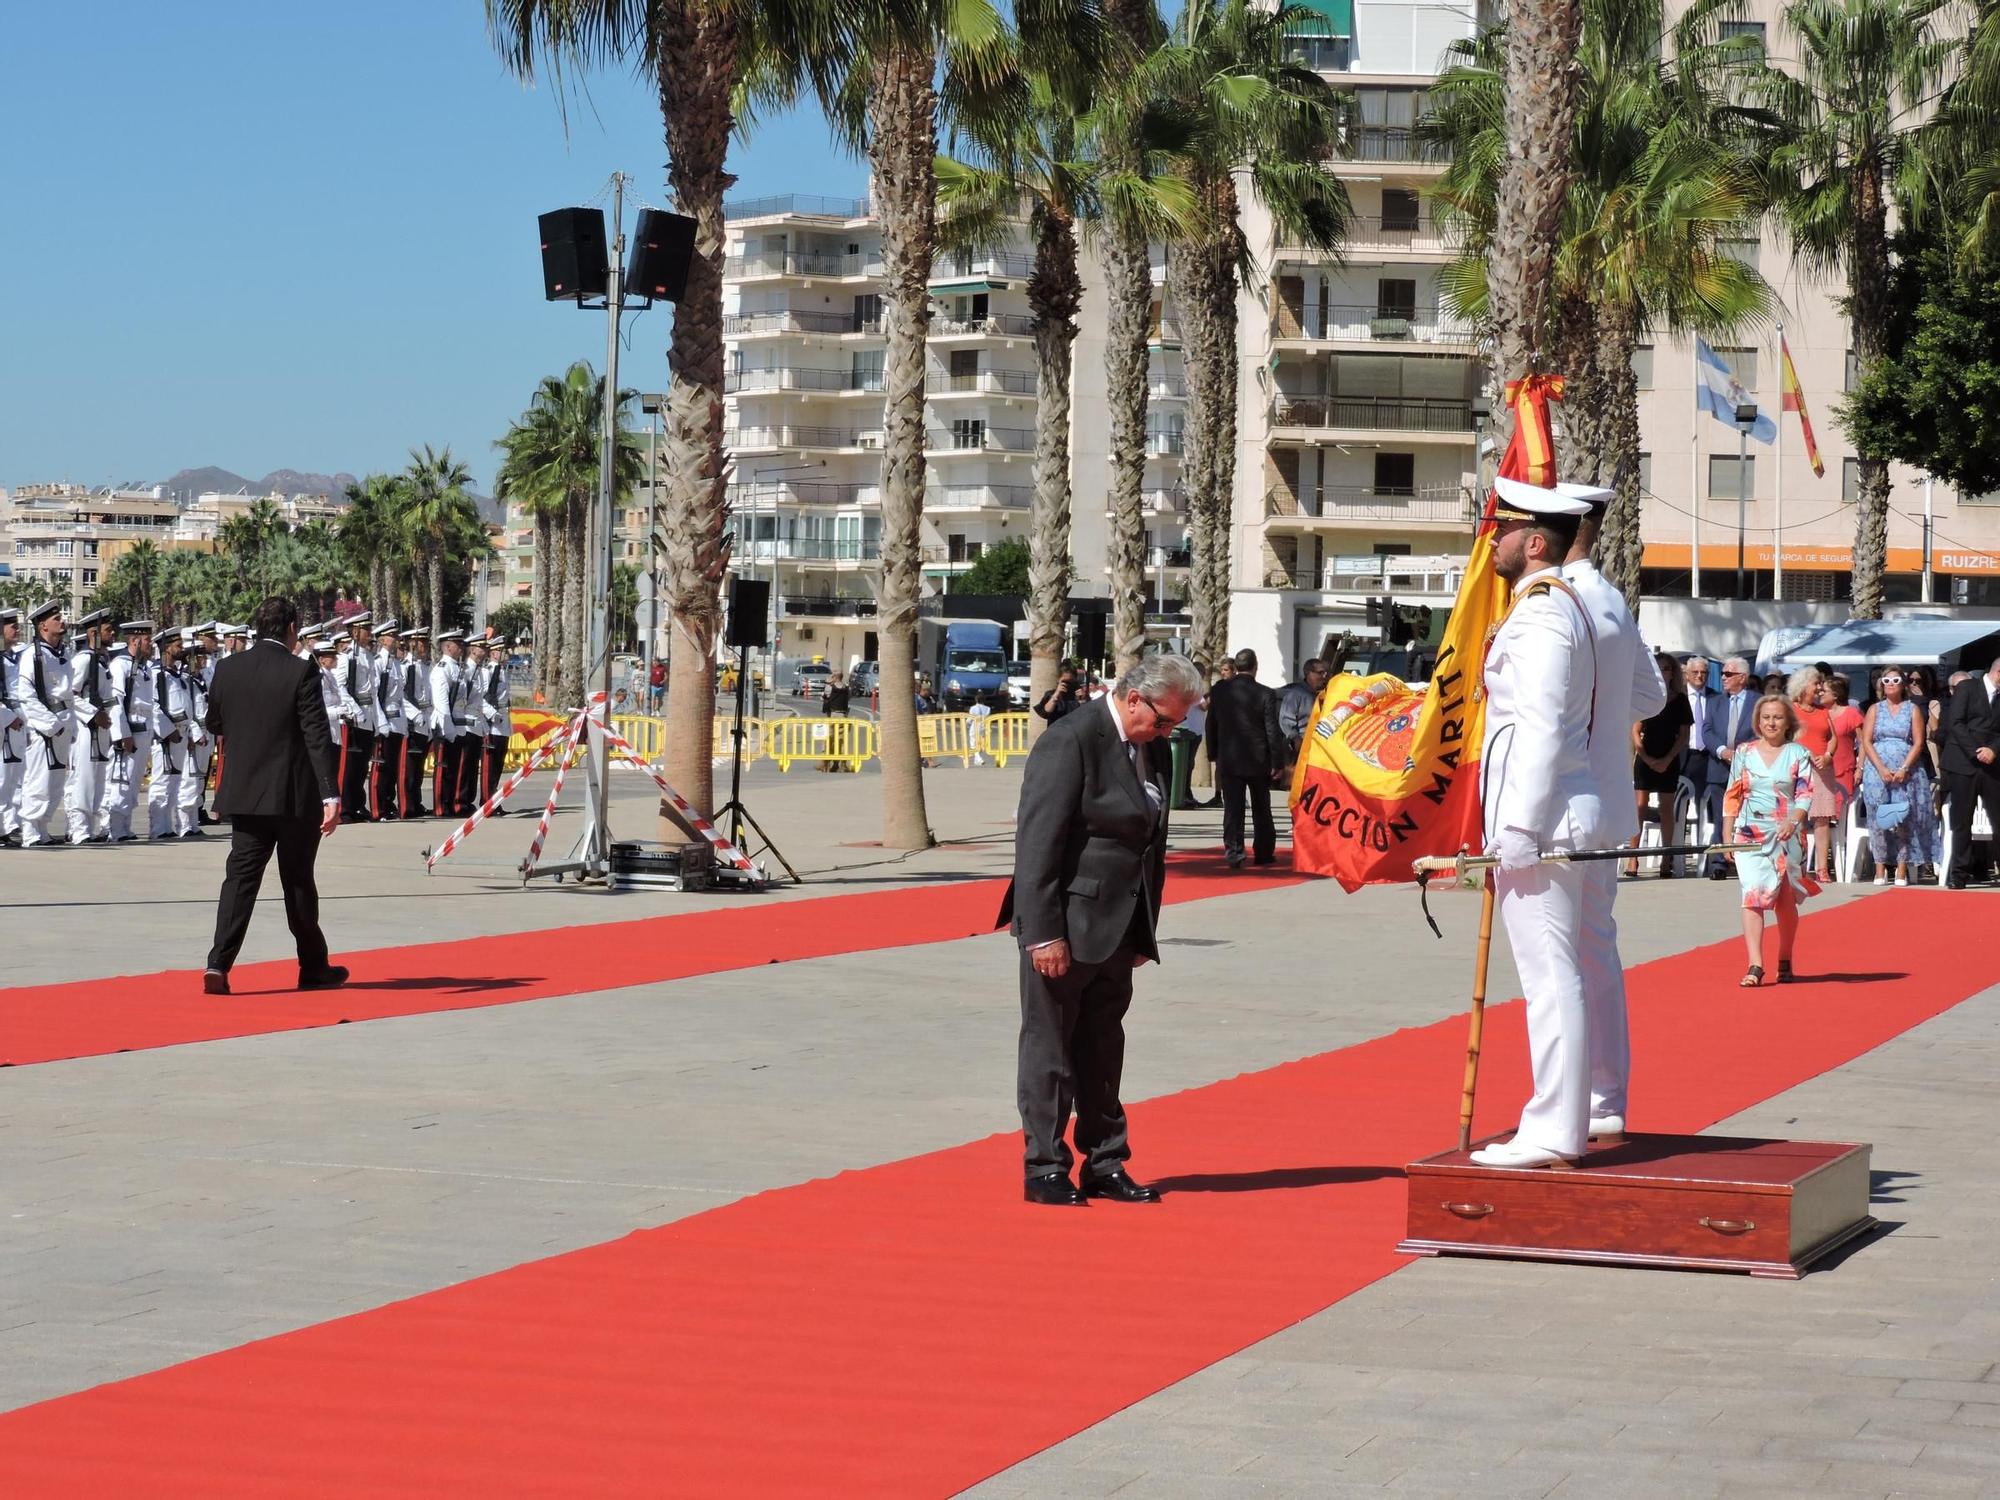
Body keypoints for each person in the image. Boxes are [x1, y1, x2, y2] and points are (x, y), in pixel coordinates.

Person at [998, 651, 1202, 1206]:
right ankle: (1045, 1167)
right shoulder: (1071, 740)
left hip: (1118, 925)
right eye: (1162, 721)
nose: (1165, 733)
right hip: (1065, 923)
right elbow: (1038, 844)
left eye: (1175, 726)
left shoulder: (1147, 745)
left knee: (1102, 1049)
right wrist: (1042, 934)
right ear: (1133, 697)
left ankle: (1105, 1162)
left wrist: (1143, 929)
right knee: (1051, 1051)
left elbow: (1146, 843)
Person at [1469, 476, 1599, 1171]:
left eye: (1504, 530)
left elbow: (1544, 725)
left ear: (1537, 542)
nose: (1493, 539)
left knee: (1551, 977)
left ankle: (1553, 1127)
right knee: (1553, 975)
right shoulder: (1536, 608)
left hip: (1542, 822)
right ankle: (1557, 1121)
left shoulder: (1545, 613)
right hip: (1543, 817)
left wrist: (1518, 826)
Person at [1560, 482, 1665, 1147]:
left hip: (1558, 806)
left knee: (1555, 962)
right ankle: (1604, 1099)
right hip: (1604, 800)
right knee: (1595, 951)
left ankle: (1565, 1107)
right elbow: (1650, 696)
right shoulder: (1612, 601)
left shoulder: (1552, 600)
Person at [201, 597, 347, 996]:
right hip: (293, 796)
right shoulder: (301, 671)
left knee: (239, 880)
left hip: (246, 794)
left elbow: (215, 721)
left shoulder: (228, 669)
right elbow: (317, 736)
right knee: (297, 880)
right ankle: (313, 967)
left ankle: (218, 964)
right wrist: (330, 793)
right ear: (291, 629)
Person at [1726, 694, 1820, 986]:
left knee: (1784, 899)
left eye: (1777, 717)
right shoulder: (1744, 751)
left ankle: (1785, 956)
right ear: (1758, 721)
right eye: (1766, 717)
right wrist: (1726, 832)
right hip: (1749, 833)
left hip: (1787, 832)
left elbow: (1805, 794)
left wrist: (1793, 821)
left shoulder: (1798, 754)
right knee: (1752, 894)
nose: (1771, 723)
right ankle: (1755, 964)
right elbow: (1733, 792)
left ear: (1787, 721)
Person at [1204, 648, 1285, 868]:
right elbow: (1272, 730)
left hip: (1229, 758)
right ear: (1255, 667)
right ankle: (1264, 852)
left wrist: (1213, 753)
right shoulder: (1266, 693)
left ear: (1236, 667)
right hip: (1258, 759)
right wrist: (1277, 762)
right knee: (1262, 809)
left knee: (1233, 809)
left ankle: (1234, 853)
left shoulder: (1220, 690)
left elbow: (1210, 723)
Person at [1861, 668, 1930, 887]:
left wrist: (1904, 767)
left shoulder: (1913, 709)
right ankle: (1880, 866)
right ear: (1881, 684)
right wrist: (1880, 768)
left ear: (1903, 684)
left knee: (1903, 818)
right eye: (1886, 680)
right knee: (1878, 817)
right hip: (1877, 770)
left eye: (1895, 680)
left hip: (1905, 771)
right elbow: (1866, 740)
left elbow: (1919, 742)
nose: (1891, 683)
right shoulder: (1874, 709)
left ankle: (1901, 867)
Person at [1625, 648, 1691, 876]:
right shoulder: (1645, 697)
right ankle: (1632, 858)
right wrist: (1646, 757)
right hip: (1646, 757)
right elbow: (1635, 731)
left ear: (1673, 673)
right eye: (1659, 668)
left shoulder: (1680, 700)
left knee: (1666, 809)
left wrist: (1666, 760)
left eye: (1666, 669)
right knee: (1639, 808)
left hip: (1669, 757)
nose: (1662, 673)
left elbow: (1684, 736)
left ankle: (1666, 857)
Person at [16, 601, 74, 848]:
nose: (62, 621)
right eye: (56, 618)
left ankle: (43, 828)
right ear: (43, 626)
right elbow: (26, 695)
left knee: (56, 781)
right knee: (38, 779)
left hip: (64, 721)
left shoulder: (62, 653)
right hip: (45, 725)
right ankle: (30, 830)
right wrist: (50, 724)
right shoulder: (33, 655)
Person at [1941, 657, 2000, 889]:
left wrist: (1993, 750)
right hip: (1963, 763)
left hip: (1992, 766)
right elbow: (1955, 723)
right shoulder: (1968, 687)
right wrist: (1977, 751)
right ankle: (1959, 875)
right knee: (1961, 822)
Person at [1699, 657, 1761, 877]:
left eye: (1728, 674)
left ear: (1742, 677)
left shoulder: (1758, 702)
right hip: (1719, 767)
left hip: (1747, 768)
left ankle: (1747, 861)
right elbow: (1706, 730)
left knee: (1748, 816)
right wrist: (1722, 751)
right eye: (1723, 673)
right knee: (1720, 816)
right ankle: (1718, 864)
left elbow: (1761, 731)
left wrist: (1742, 753)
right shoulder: (1716, 701)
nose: (1723, 677)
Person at [64, 610, 114, 845]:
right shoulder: (84, 659)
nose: (112, 634)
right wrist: (94, 714)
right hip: (86, 726)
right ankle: (78, 830)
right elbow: (71, 695)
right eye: (108, 630)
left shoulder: (101, 660)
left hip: (100, 726)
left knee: (96, 780)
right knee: (82, 779)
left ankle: (88, 828)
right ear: (93, 633)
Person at [105, 620, 157, 841]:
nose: (150, 643)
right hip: (130, 732)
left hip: (143, 731)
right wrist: (122, 734)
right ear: (135, 640)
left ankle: (124, 826)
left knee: (133, 782)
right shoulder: (121, 665)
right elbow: (116, 702)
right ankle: (114, 829)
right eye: (146, 640)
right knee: (121, 781)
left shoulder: (143, 666)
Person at [1789, 668, 1841, 881]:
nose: (1820, 688)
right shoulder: (1790, 709)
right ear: (1803, 686)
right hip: (1797, 769)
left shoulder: (1822, 711)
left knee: (1821, 820)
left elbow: (1833, 737)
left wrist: (1828, 754)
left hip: (1822, 770)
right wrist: (1805, 753)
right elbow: (1786, 737)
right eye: (1816, 684)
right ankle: (1797, 866)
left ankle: (1821, 869)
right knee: (1798, 819)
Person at [147, 626, 196, 839]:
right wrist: (167, 731)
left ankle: (168, 826)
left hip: (181, 733)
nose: (181, 649)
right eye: (178, 646)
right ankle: (158, 827)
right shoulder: (156, 675)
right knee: (162, 782)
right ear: (166, 649)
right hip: (167, 736)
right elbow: (154, 707)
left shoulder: (178, 675)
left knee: (174, 783)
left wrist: (190, 734)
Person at [334, 615, 378, 821]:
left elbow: (373, 690)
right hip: (353, 717)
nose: (370, 633)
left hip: (367, 715)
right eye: (366, 629)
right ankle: (344, 807)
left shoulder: (368, 657)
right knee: (349, 766)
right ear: (354, 632)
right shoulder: (345, 657)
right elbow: (340, 686)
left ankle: (357, 805)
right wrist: (354, 710)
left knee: (361, 766)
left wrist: (375, 718)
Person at [373, 622, 405, 821]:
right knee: (382, 767)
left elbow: (399, 695)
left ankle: (388, 803)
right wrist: (381, 721)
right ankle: (379, 808)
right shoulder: (378, 662)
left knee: (392, 767)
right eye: (392, 637)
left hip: (397, 721)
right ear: (383, 639)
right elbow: (375, 694)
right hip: (385, 720)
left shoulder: (395, 663)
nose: (396, 640)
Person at [401, 628, 433, 818]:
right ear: (413, 644)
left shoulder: (425, 667)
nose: (425, 648)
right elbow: (401, 696)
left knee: (419, 767)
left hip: (424, 721)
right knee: (409, 768)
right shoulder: (406, 667)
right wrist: (414, 715)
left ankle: (416, 802)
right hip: (412, 723)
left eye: (426, 644)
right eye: (421, 644)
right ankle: (407, 806)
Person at [1277, 658, 1330, 765]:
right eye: (1320, 673)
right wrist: (1295, 739)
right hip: (1300, 747)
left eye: (1325, 673)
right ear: (1308, 673)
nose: (1324, 677)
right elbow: (1285, 720)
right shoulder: (1296, 694)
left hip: (1319, 747)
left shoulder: (1324, 694)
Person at [0, 608, 23, 846]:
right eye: (11, 625)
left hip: (16, 722)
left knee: (14, 778)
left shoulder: (15, 657)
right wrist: (8, 717)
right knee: (2, 778)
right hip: (5, 721)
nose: (16, 629)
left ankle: (8, 825)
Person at [1678, 656, 1713, 788]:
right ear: (1687, 674)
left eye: (1703, 672)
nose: (1699, 676)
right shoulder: (1678, 696)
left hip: (1707, 758)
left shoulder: (1716, 697)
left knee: (1707, 804)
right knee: (1678, 804)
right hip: (1682, 756)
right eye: (1695, 672)